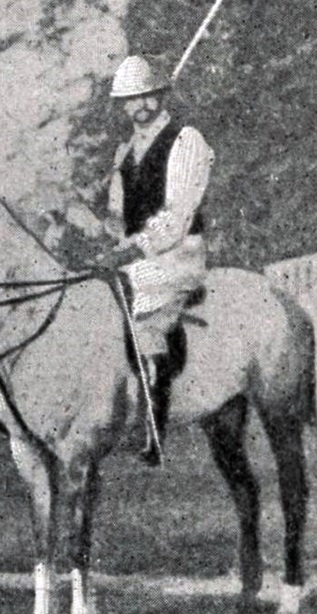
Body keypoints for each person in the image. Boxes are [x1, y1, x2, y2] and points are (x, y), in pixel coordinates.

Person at [102, 54, 214, 464]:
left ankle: (152, 428)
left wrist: (134, 247)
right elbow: (118, 217)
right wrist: (105, 231)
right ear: (122, 104)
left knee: (145, 318)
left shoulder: (186, 140)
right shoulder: (124, 152)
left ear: (162, 94)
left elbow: (177, 214)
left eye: (148, 95)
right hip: (136, 258)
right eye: (132, 99)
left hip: (176, 255)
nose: (141, 105)